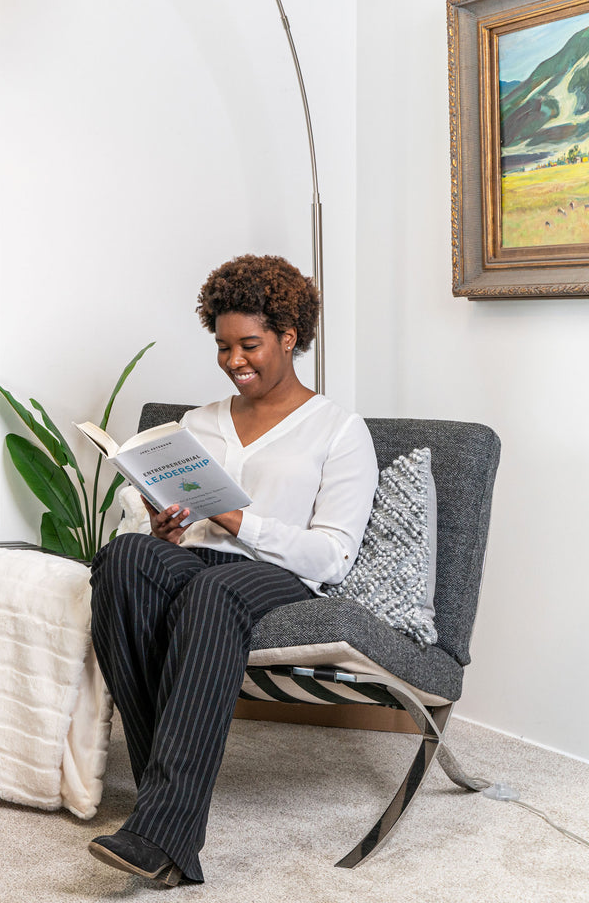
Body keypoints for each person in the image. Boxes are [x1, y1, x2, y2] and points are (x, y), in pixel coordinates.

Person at [86, 254, 378, 886]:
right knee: (123, 558)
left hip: (278, 577)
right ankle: (162, 816)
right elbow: (172, 526)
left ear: (289, 336)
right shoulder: (200, 423)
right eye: (223, 347)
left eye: (249, 345)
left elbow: (332, 556)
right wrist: (165, 527)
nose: (234, 360)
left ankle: (163, 835)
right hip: (197, 557)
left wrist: (243, 523)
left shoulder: (338, 431)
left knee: (216, 589)